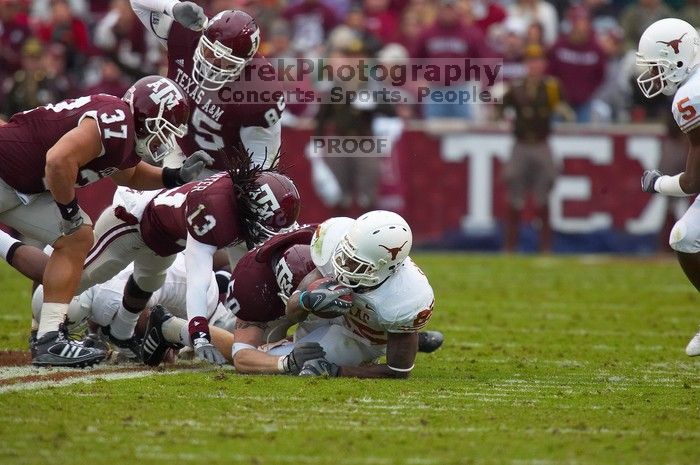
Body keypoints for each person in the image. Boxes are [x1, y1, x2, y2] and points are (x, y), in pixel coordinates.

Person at [0, 74, 212, 367]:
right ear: (148, 115)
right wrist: (70, 211)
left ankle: (49, 339)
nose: (165, 139)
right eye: (163, 128)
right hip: (6, 172)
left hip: (19, 187)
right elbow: (58, 160)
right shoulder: (115, 122)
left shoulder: (123, 132)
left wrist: (173, 176)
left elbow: (130, 175)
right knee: (77, 230)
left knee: (77, 237)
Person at [2, 165, 300, 364]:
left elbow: (240, 262)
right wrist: (197, 329)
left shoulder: (243, 195)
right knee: (66, 282)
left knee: (149, 281)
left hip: (165, 241)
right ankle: (45, 324)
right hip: (133, 224)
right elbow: (198, 272)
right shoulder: (215, 208)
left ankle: (120, 336)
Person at [143, 211, 440, 378]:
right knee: (268, 358)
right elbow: (250, 352)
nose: (341, 267)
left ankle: (400, 333)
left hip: (358, 333)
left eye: (355, 263)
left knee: (303, 361)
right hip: (293, 310)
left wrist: (338, 371)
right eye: (343, 256)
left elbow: (399, 371)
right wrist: (304, 300)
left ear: (386, 266)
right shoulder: (257, 288)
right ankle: (175, 328)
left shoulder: (404, 298)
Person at [130, 1, 285, 173]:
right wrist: (172, 7)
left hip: (224, 176)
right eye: (208, 51)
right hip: (173, 148)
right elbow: (138, 3)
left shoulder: (259, 91)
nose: (210, 63)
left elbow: (261, 165)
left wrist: (238, 191)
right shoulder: (190, 33)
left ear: (244, 63)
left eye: (223, 61)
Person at [638, 18, 700, 356]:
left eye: (657, 66)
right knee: (685, 237)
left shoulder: (690, 97)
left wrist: (656, 182)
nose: (653, 75)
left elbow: (693, 181)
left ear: (678, 59)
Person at [30, 253, 237, 352]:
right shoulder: (79, 262)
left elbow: (151, 321)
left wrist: (136, 348)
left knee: (159, 334)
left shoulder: (106, 300)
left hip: (200, 301)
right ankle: (224, 279)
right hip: (185, 265)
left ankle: (226, 323)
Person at [499, 44, 573, 253]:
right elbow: (502, 107)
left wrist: (562, 110)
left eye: (538, 61)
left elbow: (564, 108)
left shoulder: (551, 87)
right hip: (521, 143)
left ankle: (545, 245)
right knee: (514, 187)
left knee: (545, 189)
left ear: (544, 64)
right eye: (530, 61)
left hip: (541, 142)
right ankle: (510, 245)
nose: (534, 66)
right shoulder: (516, 86)